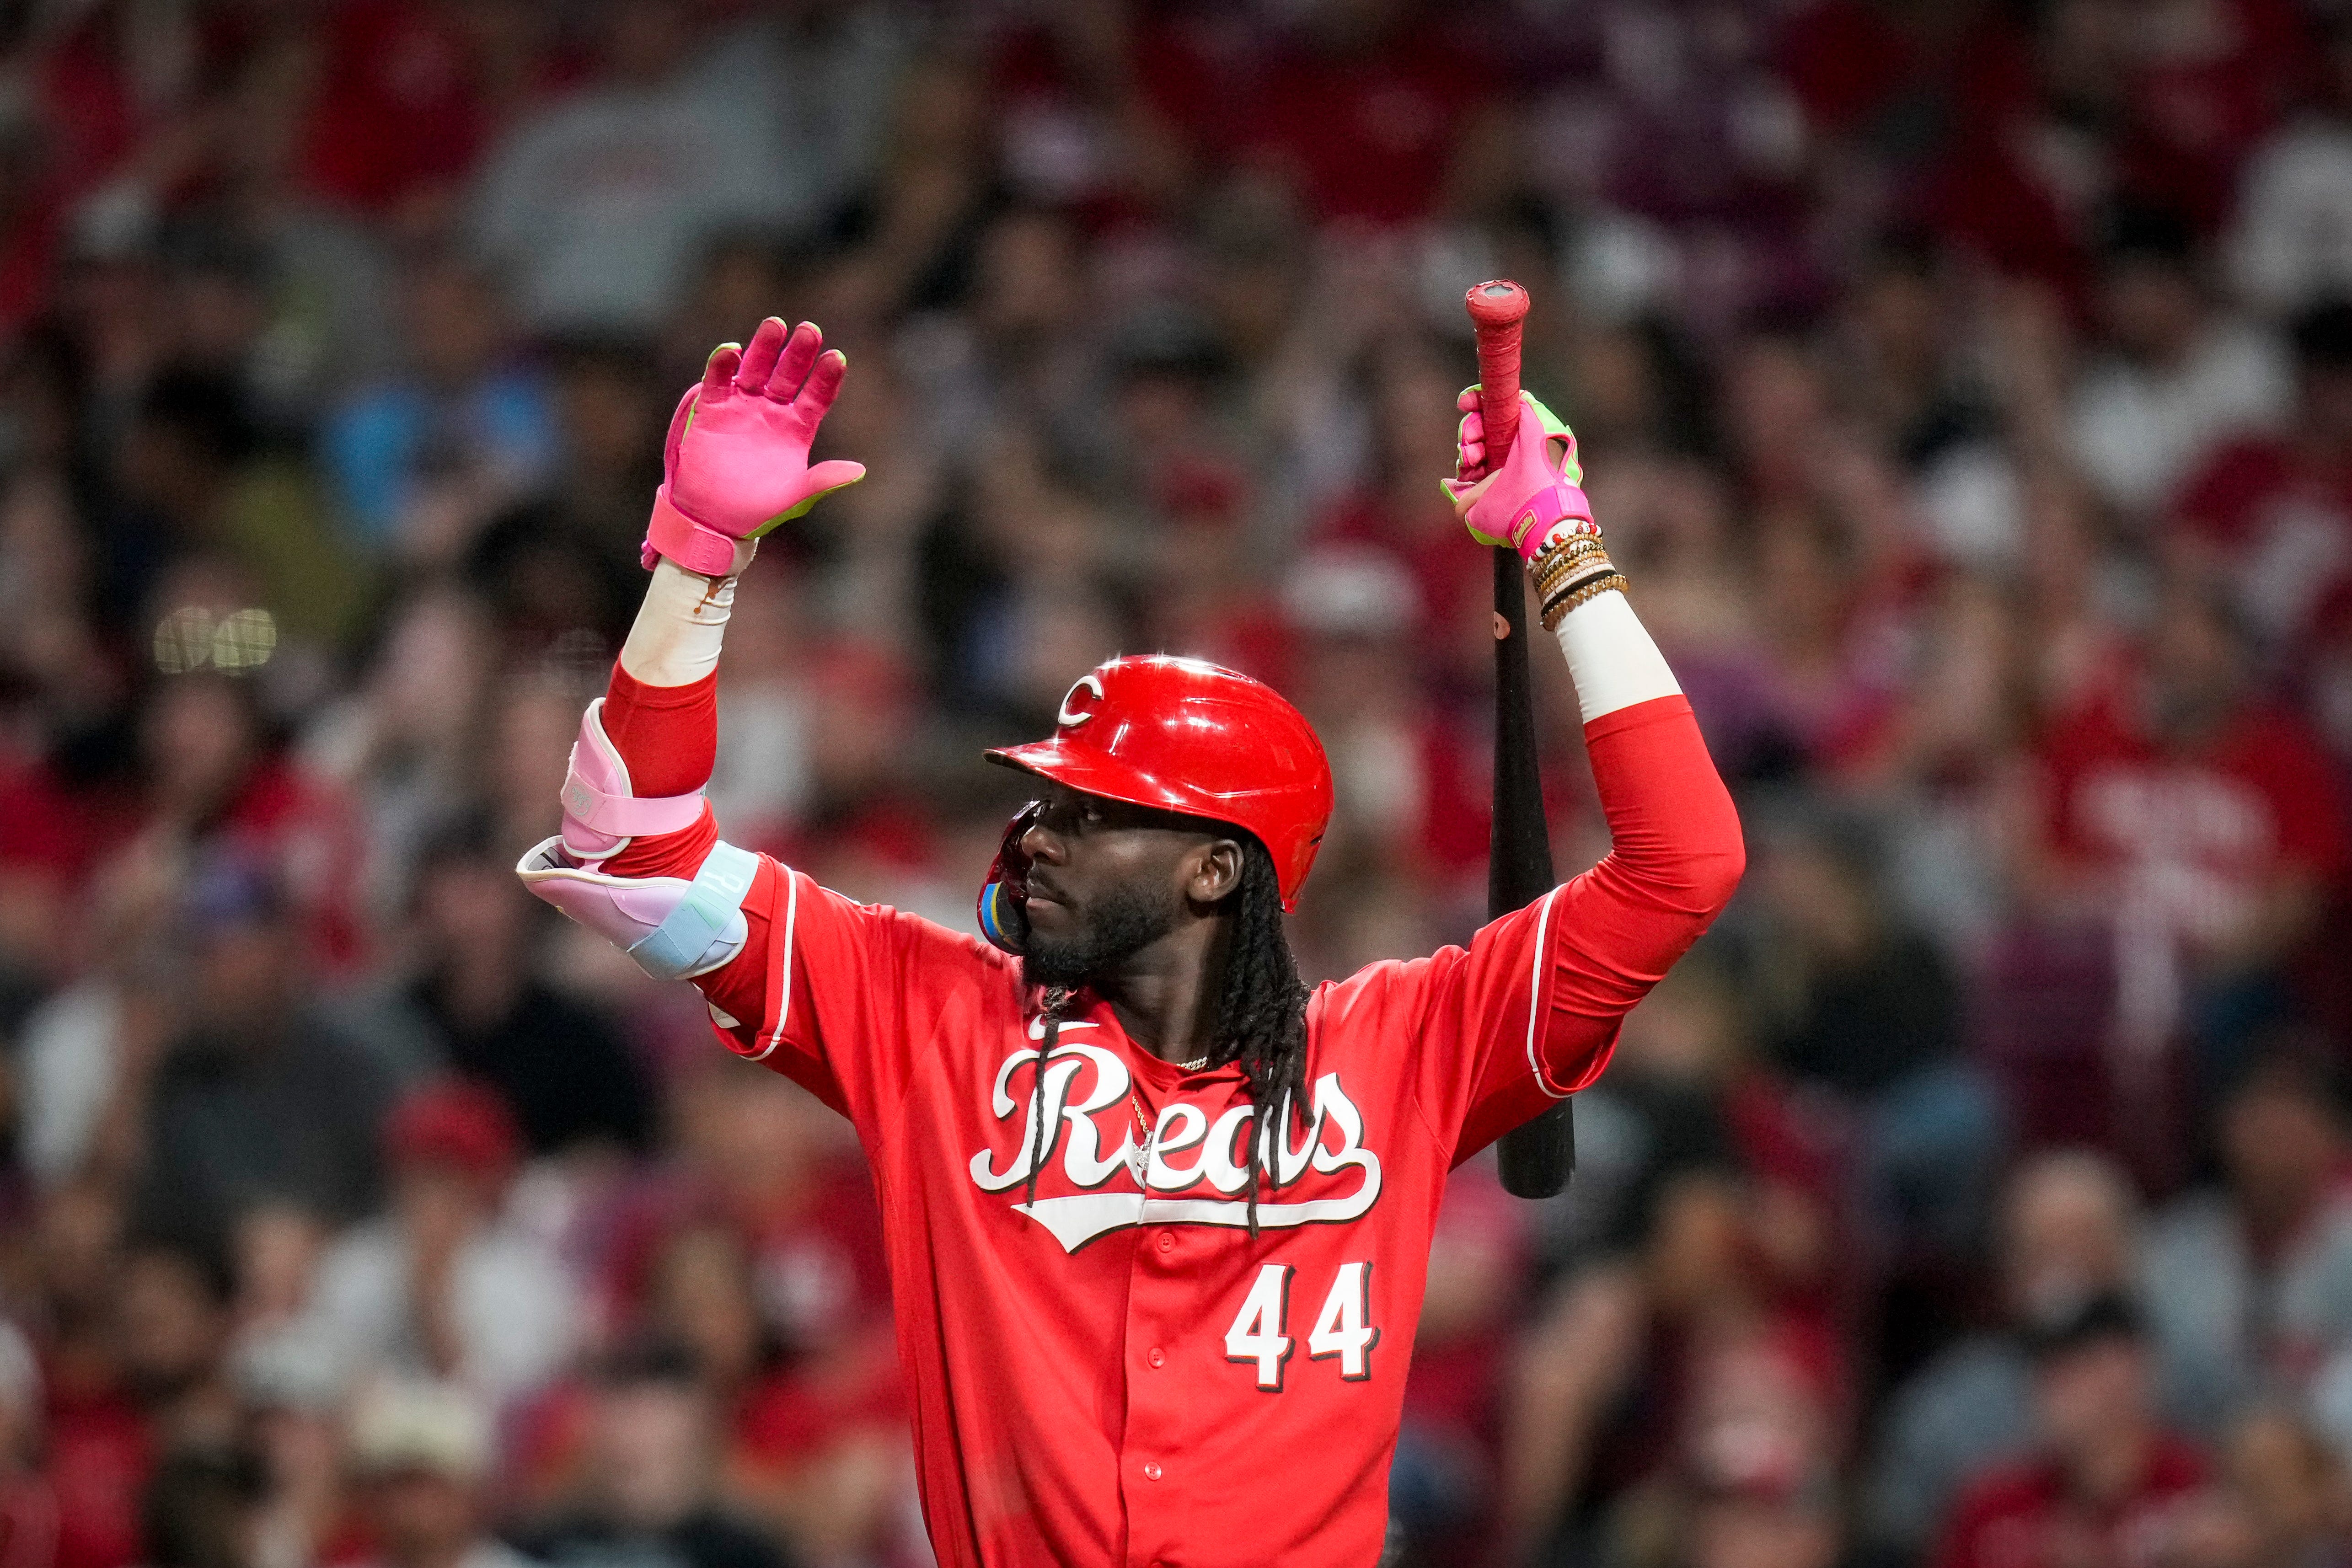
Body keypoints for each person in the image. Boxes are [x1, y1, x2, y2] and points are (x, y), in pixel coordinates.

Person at [515, 316, 1744, 1564]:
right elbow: (629, 848)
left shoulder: (1404, 1046)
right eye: (1041, 802)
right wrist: (697, 559)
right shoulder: (929, 1013)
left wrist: (1561, 545)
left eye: (1088, 815)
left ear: (1217, 867)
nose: (1032, 837)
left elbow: (1683, 862)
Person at [1932, 1295, 2208, 1568]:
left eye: (2078, 1365)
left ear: (2135, 1372)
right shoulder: (1993, 1506)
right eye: (2044, 1368)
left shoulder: (2196, 1492)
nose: (2053, 1387)